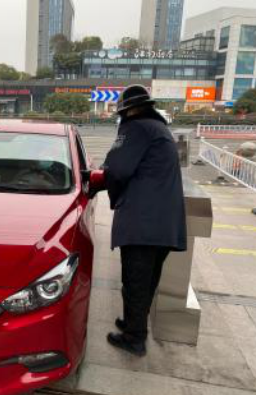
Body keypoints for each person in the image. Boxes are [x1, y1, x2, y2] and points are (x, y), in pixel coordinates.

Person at [102, 85, 187, 357]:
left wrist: (103, 184)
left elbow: (116, 169)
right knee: (147, 280)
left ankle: (134, 338)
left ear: (128, 110)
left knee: (135, 280)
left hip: (143, 221)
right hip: (165, 222)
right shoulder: (159, 128)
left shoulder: (135, 128)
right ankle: (134, 323)